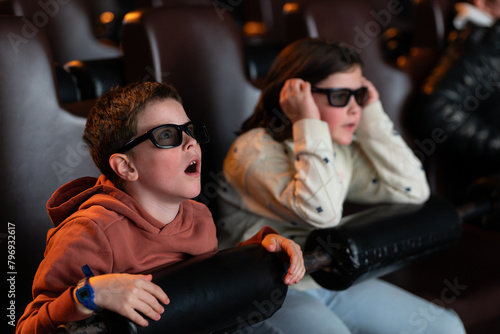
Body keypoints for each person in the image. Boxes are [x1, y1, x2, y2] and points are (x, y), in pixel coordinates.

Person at [216, 38, 466, 333]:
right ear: (297, 96)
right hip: (264, 290)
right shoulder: (253, 150)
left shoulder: (335, 149)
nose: (353, 109)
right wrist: (307, 121)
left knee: (444, 327)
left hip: (323, 275)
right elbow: (323, 212)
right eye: (340, 96)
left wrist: (372, 117)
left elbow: (412, 190)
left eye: (359, 95)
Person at [16, 82, 305, 334]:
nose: (191, 143)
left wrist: (263, 248)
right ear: (127, 166)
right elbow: (28, 327)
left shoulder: (199, 216)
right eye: (167, 135)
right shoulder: (90, 234)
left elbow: (202, 289)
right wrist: (89, 295)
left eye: (189, 130)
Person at [410, 0, 500, 206]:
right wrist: (496, 143)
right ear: (482, 3)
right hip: (484, 187)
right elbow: (435, 110)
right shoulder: (487, 41)